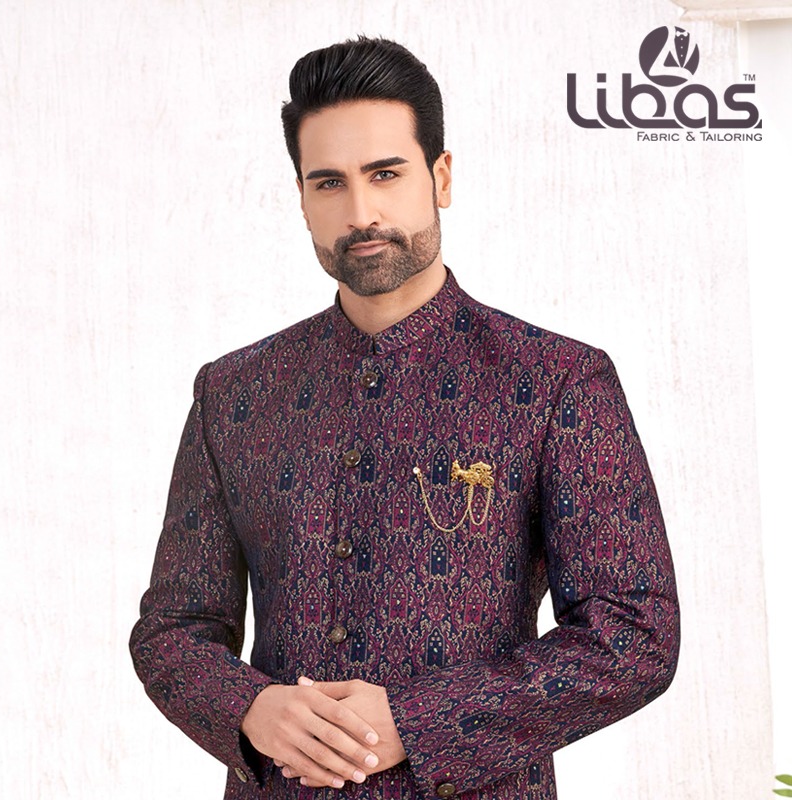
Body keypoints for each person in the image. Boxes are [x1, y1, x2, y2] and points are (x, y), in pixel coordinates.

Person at [130, 35, 680, 800]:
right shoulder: (235, 394)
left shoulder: (556, 382)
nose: (361, 213)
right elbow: (174, 629)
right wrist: (251, 708)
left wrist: (421, 724)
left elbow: (635, 632)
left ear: (440, 176)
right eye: (329, 183)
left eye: (385, 173)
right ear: (301, 198)